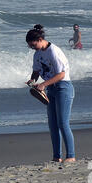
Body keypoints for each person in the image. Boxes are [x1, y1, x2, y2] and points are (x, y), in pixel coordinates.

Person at [26, 25, 76, 163]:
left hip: (63, 87)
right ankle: (56, 156)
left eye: (33, 45)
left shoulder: (53, 51)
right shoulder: (37, 54)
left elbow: (61, 74)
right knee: (52, 124)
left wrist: (43, 85)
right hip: (50, 89)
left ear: (41, 39)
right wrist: (33, 80)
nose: (32, 48)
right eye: (30, 46)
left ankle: (71, 156)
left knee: (63, 123)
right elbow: (36, 71)